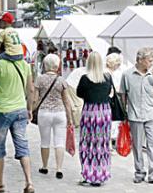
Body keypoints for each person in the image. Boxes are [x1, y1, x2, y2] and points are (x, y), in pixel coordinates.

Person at [0, 50, 35, 193]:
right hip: (20, 111)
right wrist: (29, 109)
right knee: (22, 145)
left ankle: (0, 183)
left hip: (2, 112)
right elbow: (30, 89)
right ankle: (29, 182)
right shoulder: (25, 64)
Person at [120, 47, 153, 185]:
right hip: (134, 115)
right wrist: (125, 113)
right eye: (149, 60)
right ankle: (139, 172)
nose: (151, 63)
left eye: (152, 60)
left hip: (150, 114)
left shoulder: (152, 75)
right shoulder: (127, 75)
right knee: (137, 146)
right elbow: (123, 95)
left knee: (152, 145)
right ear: (140, 60)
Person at [76, 51, 113, 187]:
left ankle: (88, 173)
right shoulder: (108, 77)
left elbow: (79, 93)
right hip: (104, 112)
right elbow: (109, 92)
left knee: (87, 143)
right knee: (102, 144)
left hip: (90, 112)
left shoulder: (85, 78)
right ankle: (101, 173)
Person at [34, 54, 73, 179]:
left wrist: (29, 110)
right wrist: (70, 118)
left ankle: (45, 167)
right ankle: (59, 169)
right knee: (59, 142)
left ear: (45, 65)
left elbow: (35, 99)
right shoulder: (61, 80)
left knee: (45, 141)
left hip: (44, 113)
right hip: (59, 113)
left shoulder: (39, 79)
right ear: (57, 66)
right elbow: (67, 101)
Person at [105, 53, 123, 151]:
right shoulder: (109, 74)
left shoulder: (106, 72)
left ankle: (109, 144)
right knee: (111, 122)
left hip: (107, 100)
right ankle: (109, 144)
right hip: (110, 100)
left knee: (109, 122)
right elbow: (113, 89)